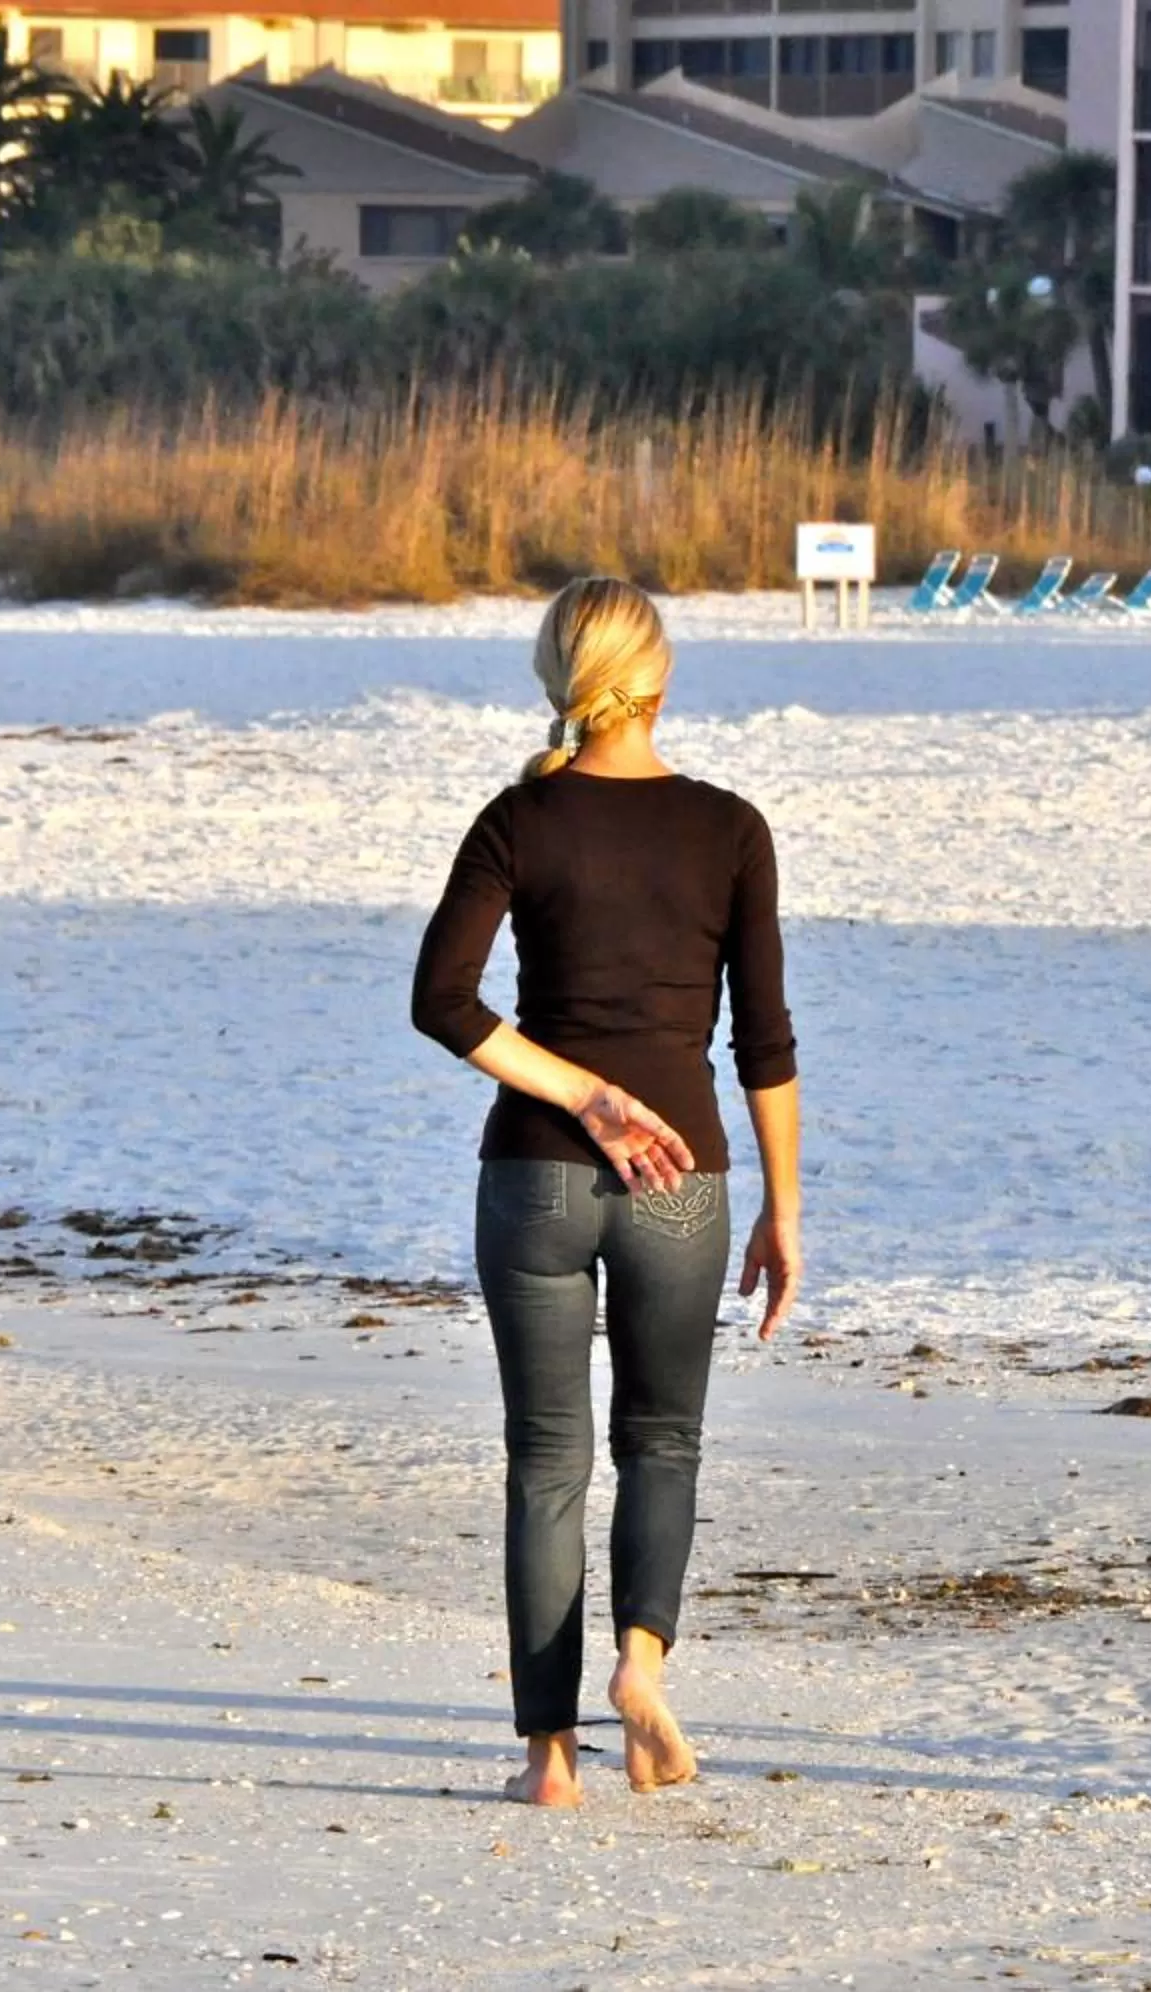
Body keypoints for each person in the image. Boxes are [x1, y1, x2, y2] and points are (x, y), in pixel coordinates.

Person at [411, 577, 804, 1809]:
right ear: (661, 680)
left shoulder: (517, 819)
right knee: (662, 1442)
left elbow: (442, 1002)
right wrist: (784, 1210)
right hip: (681, 1175)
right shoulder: (730, 828)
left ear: (559, 680)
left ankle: (549, 1760)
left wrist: (579, 1095)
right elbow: (764, 1040)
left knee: (545, 1461)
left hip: (534, 1174)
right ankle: (641, 1671)